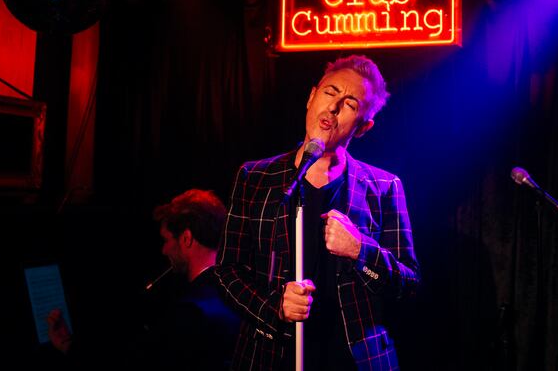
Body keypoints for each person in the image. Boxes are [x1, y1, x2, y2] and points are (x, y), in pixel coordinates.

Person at [216, 54, 420, 371]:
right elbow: (227, 271)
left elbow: (408, 285)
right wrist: (275, 308)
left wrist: (360, 251)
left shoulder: (384, 186)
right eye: (330, 92)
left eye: (350, 104)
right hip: (268, 357)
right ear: (312, 96)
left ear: (364, 126)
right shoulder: (255, 178)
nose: (334, 107)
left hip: (355, 361)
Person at [47, 189, 240, 370]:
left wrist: (69, 348)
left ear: (186, 238)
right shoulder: (238, 294)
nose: (163, 250)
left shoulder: (191, 312)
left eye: (166, 240)